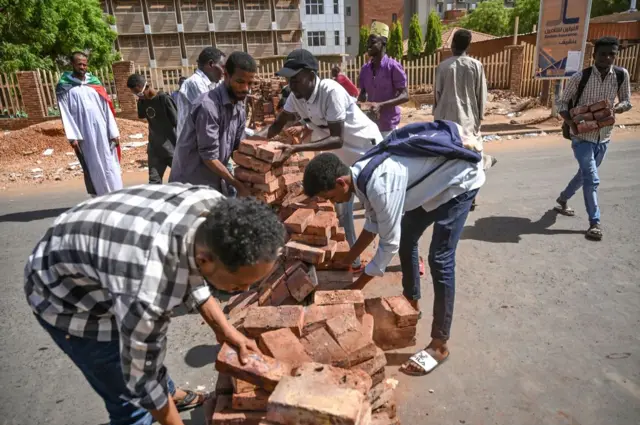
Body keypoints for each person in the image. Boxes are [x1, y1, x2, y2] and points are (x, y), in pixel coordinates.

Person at [25, 185, 285, 425]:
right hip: (63, 295)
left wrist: (226, 330)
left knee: (144, 351)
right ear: (205, 260)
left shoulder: (213, 208)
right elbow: (143, 382)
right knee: (131, 402)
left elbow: (192, 272)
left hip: (102, 249)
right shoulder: (148, 291)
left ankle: (170, 393)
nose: (246, 291)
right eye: (238, 286)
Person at [301, 122, 485, 376]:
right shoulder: (360, 173)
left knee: (440, 259)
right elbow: (375, 221)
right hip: (429, 184)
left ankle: (439, 344)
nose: (333, 203)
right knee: (409, 235)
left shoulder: (380, 185)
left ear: (341, 182)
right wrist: (349, 258)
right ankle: (411, 302)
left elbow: (388, 245)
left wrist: (353, 291)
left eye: (331, 196)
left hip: (458, 181)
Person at [267, 49, 383, 271]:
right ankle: (353, 260)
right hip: (341, 159)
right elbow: (278, 123)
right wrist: (258, 142)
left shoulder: (331, 91)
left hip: (365, 152)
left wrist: (297, 148)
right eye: (288, 80)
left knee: (376, 209)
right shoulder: (296, 97)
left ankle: (389, 255)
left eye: (296, 80)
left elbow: (337, 138)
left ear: (311, 76)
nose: (291, 85)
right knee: (342, 208)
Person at [555, 36, 632, 241]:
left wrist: (616, 109)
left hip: (604, 137)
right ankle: (594, 223)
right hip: (581, 137)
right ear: (594, 55)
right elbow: (561, 104)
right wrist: (572, 124)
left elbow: (627, 101)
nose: (607, 58)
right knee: (592, 178)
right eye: (603, 54)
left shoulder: (621, 75)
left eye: (611, 54)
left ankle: (562, 199)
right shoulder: (581, 77)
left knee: (584, 174)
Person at [170, 52, 257, 196]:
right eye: (240, 82)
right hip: (190, 185)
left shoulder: (239, 106)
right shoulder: (208, 106)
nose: (246, 89)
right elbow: (209, 157)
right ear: (226, 75)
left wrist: (259, 167)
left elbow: (238, 148)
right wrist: (238, 185)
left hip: (214, 181)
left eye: (250, 83)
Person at [433, 29, 494, 210]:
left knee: (447, 157)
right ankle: (470, 194)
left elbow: (437, 94)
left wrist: (436, 117)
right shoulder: (476, 65)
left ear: (452, 45)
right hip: (469, 120)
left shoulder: (443, 66)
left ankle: (448, 193)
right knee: (472, 156)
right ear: (469, 46)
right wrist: (479, 118)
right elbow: (481, 94)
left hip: (445, 121)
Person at [56, 51, 122, 196]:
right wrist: (72, 137)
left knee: (109, 160)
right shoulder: (65, 87)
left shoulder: (95, 83)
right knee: (91, 164)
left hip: (102, 130)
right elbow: (65, 112)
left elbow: (106, 108)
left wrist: (114, 132)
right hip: (83, 133)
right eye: (79, 64)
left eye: (85, 64)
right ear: (72, 64)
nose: (82, 67)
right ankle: (98, 195)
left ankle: (116, 193)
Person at [358, 21, 409, 137]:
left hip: (388, 126)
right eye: (368, 43)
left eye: (373, 42)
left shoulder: (393, 67)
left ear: (383, 43)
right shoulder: (365, 69)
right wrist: (359, 103)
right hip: (370, 125)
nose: (368, 46)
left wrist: (380, 105)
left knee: (387, 155)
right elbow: (363, 95)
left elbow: (405, 96)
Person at [127, 73, 177, 184]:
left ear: (145, 86)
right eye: (135, 93)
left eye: (138, 92)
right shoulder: (142, 101)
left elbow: (177, 122)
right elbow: (142, 116)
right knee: (154, 182)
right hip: (154, 149)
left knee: (180, 180)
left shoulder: (164, 99)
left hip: (171, 148)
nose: (138, 95)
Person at [176, 47, 226, 139]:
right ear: (211, 64)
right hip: (191, 145)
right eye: (223, 67)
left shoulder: (214, 83)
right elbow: (213, 113)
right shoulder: (194, 83)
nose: (224, 72)